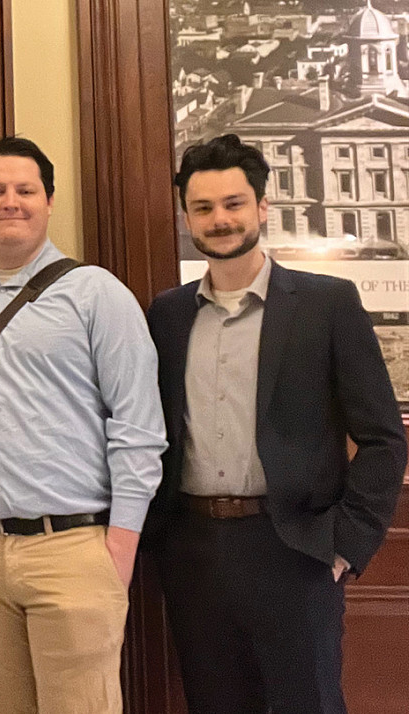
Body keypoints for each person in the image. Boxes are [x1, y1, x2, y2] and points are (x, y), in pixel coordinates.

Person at [145, 133, 407, 713]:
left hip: (296, 549)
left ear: (263, 207)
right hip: (193, 550)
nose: (219, 219)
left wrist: (345, 544)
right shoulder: (166, 313)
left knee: (307, 704)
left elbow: (384, 439)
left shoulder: (327, 305)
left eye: (234, 203)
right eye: (203, 207)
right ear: (186, 215)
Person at [0, 136, 166, 714]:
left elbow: (138, 428)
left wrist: (119, 544)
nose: (11, 201)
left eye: (26, 190)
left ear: (49, 201)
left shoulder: (98, 295)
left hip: (75, 549)